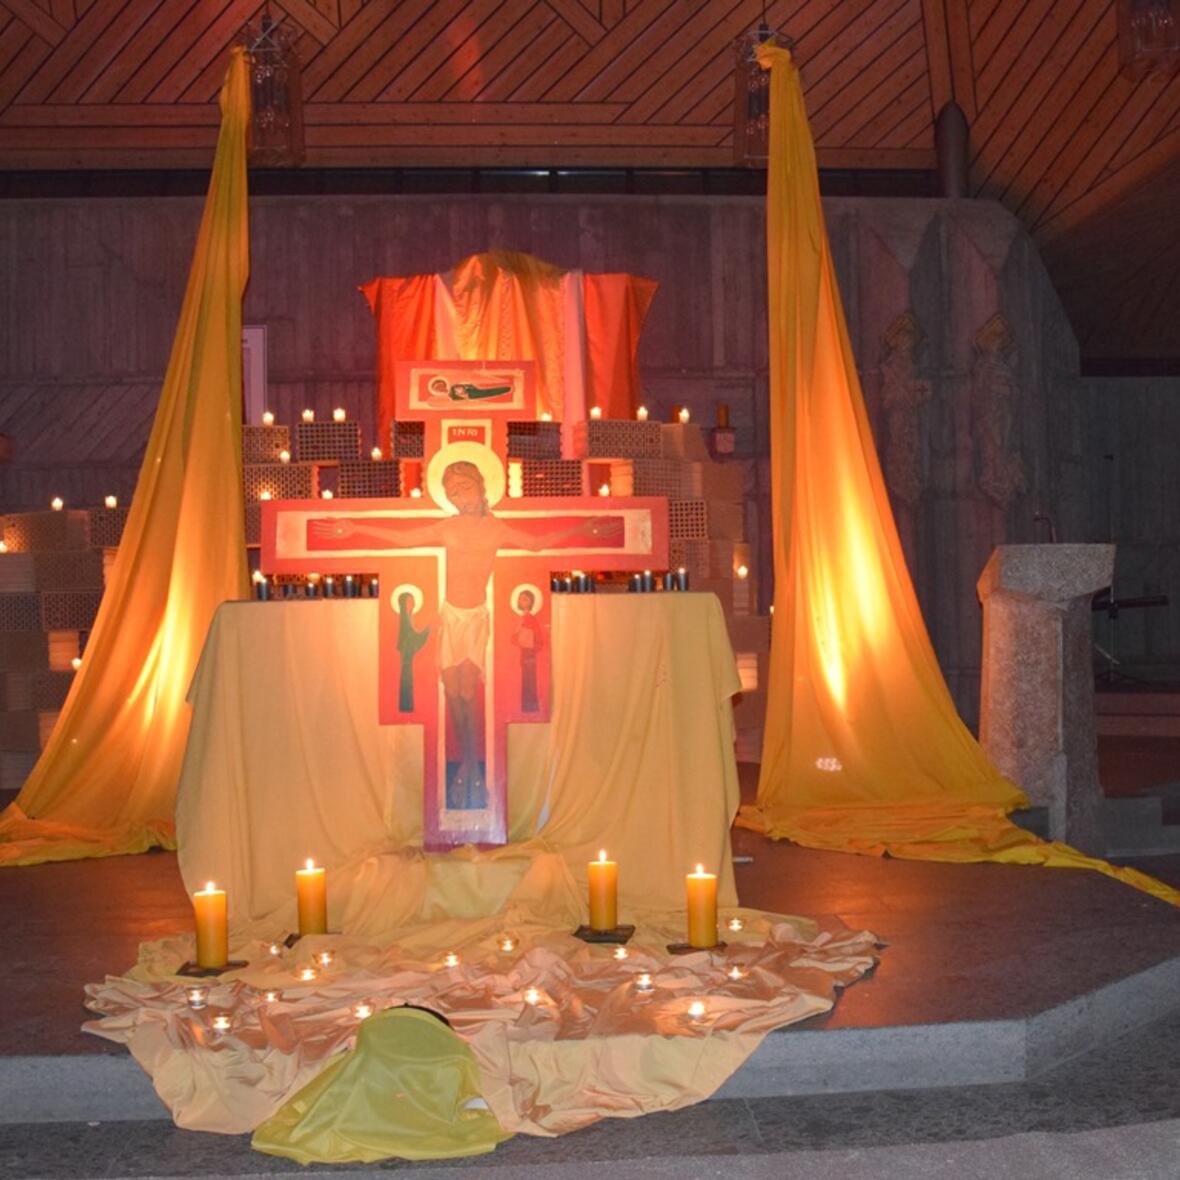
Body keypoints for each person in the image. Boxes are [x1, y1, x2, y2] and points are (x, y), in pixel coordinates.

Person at [311, 460, 619, 807]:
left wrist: (583, 527)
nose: (459, 496)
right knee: (453, 691)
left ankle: (472, 765)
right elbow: (403, 538)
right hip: (450, 615)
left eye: (464, 487)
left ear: (480, 483)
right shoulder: (447, 527)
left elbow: (536, 544)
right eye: (452, 491)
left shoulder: (497, 529)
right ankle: (468, 763)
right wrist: (354, 528)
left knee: (469, 691)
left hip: (474, 618)